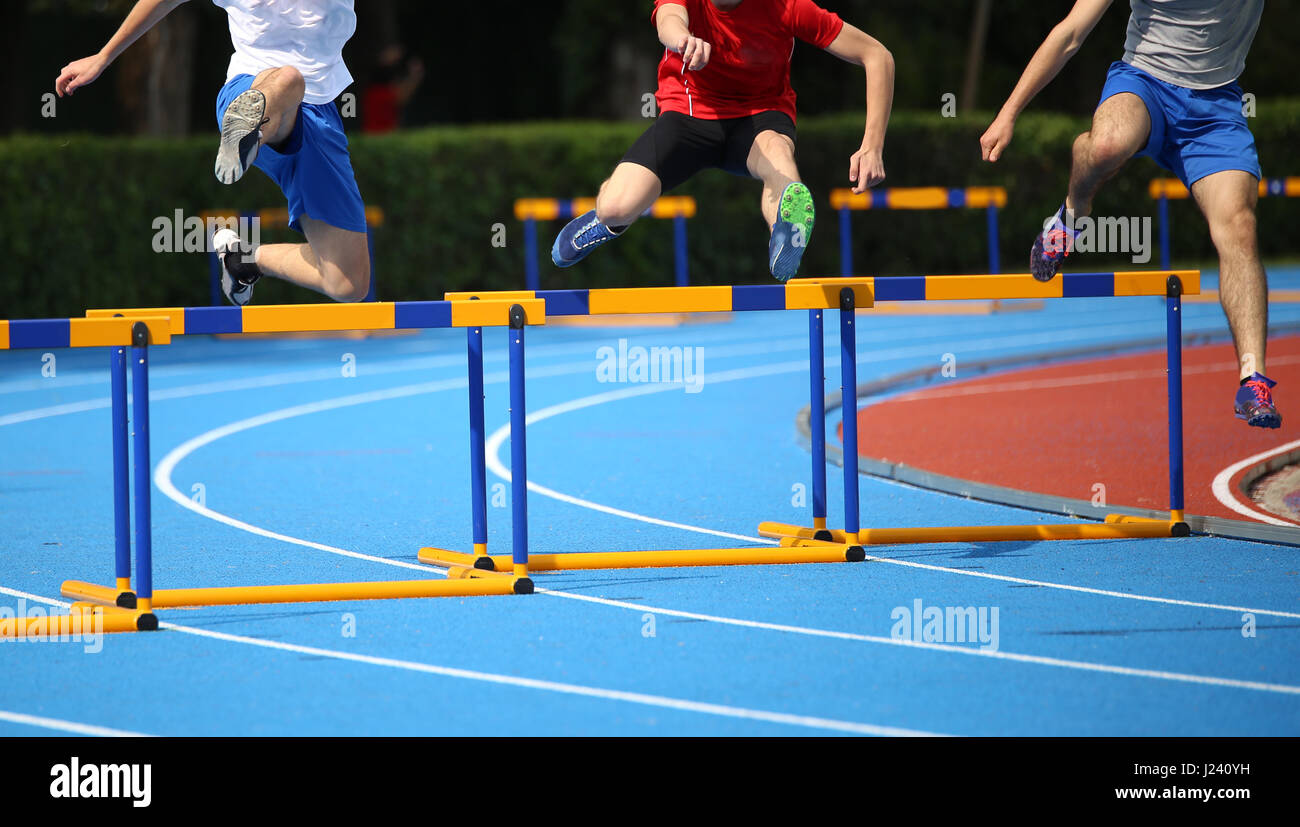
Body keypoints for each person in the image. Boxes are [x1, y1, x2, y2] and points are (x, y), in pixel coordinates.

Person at [980, 0, 1278, 428]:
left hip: (1216, 111)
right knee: (1105, 146)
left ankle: (1253, 379)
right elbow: (1070, 33)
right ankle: (1073, 213)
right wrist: (1008, 114)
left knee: (1240, 227)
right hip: (1144, 85)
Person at [551, 0, 894, 282]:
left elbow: (877, 56)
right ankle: (603, 223)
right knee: (615, 207)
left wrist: (872, 145)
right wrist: (683, 39)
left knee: (778, 152)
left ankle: (786, 234)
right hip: (690, 112)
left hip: (760, 117)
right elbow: (668, 20)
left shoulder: (788, 7)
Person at [56, 0, 371, 306]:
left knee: (347, 282)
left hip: (318, 115)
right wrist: (104, 56)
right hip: (249, 90)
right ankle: (247, 129)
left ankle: (243, 259)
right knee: (288, 79)